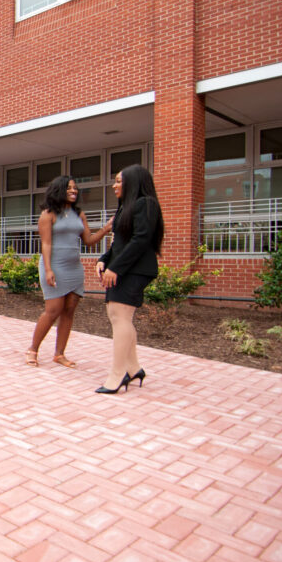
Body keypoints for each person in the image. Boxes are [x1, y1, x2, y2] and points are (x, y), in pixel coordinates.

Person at [26, 176, 113, 368]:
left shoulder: (79, 214)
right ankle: (33, 349)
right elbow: (46, 244)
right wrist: (48, 270)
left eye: (75, 188)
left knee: (69, 311)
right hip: (54, 266)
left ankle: (59, 354)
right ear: (59, 190)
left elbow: (89, 241)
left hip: (74, 268)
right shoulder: (48, 215)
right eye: (69, 188)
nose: (74, 191)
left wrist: (106, 229)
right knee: (53, 310)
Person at [95, 165, 164, 394]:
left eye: (118, 181)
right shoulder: (127, 206)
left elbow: (141, 240)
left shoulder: (147, 204)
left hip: (135, 270)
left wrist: (116, 268)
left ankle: (117, 375)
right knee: (118, 316)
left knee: (120, 317)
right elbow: (119, 243)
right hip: (123, 267)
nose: (114, 185)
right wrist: (104, 260)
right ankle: (134, 369)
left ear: (133, 183)